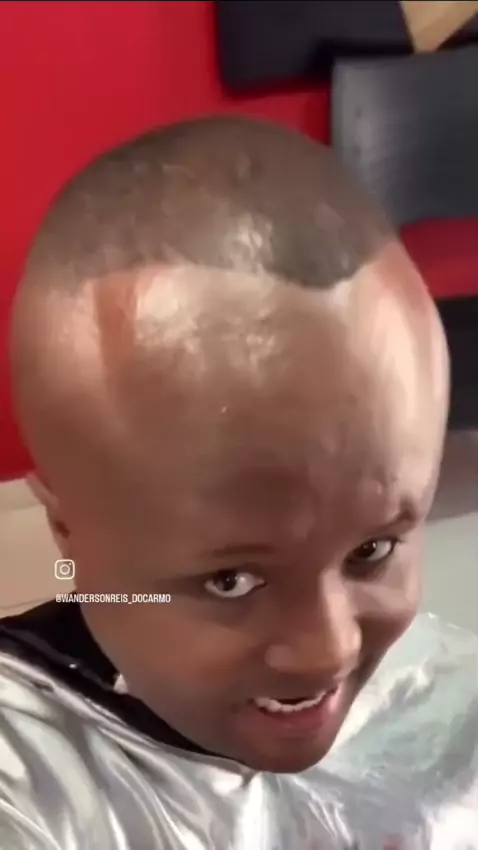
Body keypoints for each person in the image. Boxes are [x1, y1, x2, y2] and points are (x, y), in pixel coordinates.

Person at [0, 116, 475, 849]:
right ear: (69, 531)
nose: (328, 650)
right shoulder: (26, 786)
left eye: (372, 551)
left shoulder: (450, 701)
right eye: (232, 581)